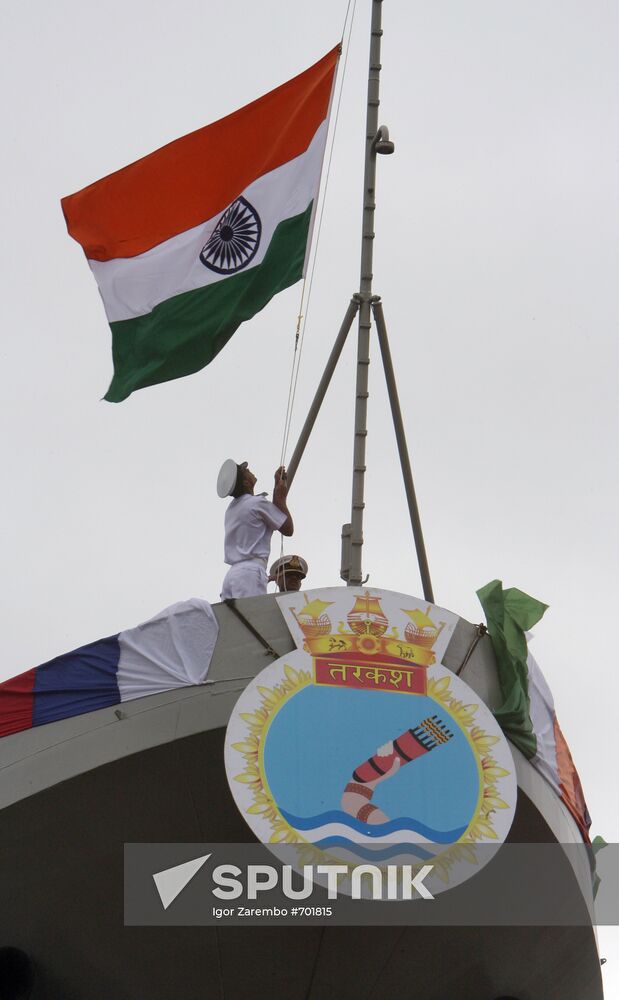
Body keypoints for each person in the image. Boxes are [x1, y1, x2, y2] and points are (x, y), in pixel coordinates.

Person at [218, 459, 293, 600]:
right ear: (246, 483)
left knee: (234, 621)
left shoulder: (231, 510)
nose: (248, 469)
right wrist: (280, 497)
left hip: (232, 576)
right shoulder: (256, 503)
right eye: (245, 471)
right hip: (249, 573)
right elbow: (288, 528)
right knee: (251, 617)